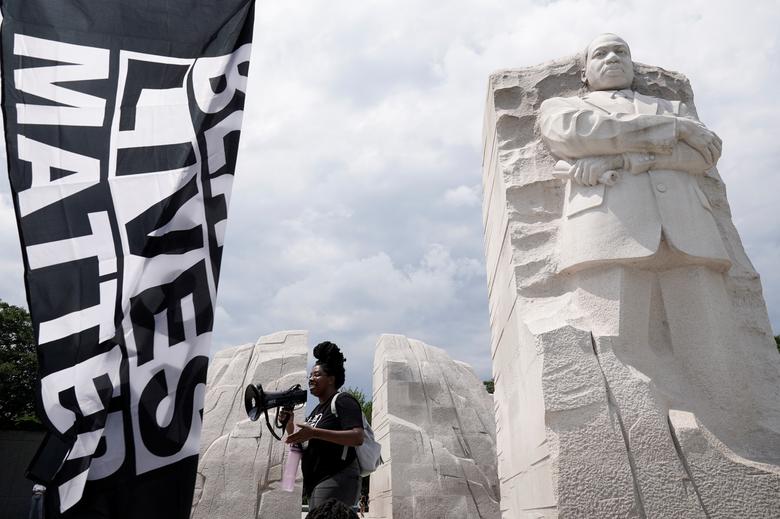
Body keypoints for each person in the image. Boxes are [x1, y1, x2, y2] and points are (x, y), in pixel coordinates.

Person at [281, 341, 364, 509]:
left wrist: (315, 433)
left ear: (331, 379)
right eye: (310, 376)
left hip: (336, 477)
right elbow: (302, 445)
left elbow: (357, 437)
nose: (311, 379)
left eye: (317, 375)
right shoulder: (316, 411)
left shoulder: (343, 401)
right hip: (316, 482)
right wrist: (290, 425)